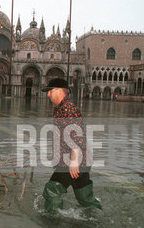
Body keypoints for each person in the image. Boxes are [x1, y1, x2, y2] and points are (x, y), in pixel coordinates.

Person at [41, 78, 102, 211]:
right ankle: (96, 216)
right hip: (81, 161)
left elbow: (77, 135)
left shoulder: (67, 108)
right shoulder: (62, 108)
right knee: (85, 197)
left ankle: (52, 220)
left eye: (49, 91)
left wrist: (74, 160)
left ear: (58, 90)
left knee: (52, 190)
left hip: (72, 162)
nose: (48, 94)